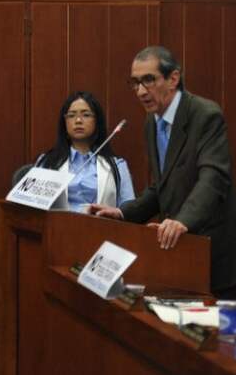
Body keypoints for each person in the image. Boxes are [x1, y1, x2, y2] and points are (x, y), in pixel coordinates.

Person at [91, 47, 236, 297]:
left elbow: (213, 178)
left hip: (211, 249)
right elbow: (163, 186)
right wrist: (124, 212)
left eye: (148, 80)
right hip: (176, 253)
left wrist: (183, 220)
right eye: (135, 83)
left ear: (173, 78)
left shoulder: (205, 115)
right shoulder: (152, 123)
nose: (141, 91)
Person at [30, 91, 134, 212]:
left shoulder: (117, 165)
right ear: (65, 122)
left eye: (86, 115)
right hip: (57, 229)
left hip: (101, 229)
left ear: (97, 121)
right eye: (72, 115)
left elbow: (128, 210)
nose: (78, 120)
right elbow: (32, 205)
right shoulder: (46, 162)